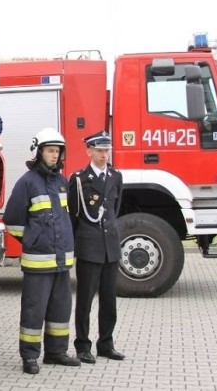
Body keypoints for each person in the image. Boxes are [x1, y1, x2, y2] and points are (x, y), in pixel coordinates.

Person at [3, 127, 80, 374]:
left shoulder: (61, 181)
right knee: (33, 311)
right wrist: (32, 239)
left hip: (61, 261)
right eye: (50, 151)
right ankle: (29, 356)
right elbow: (12, 220)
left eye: (57, 151)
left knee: (60, 310)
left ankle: (56, 352)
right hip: (38, 262)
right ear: (38, 152)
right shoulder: (27, 182)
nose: (54, 156)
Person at [68, 130, 125, 364]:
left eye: (106, 150)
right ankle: (82, 345)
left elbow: (115, 209)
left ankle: (106, 344)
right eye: (100, 151)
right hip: (89, 247)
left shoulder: (116, 176)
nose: (104, 155)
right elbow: (74, 215)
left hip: (110, 246)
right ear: (89, 151)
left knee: (109, 300)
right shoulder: (80, 179)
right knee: (85, 300)